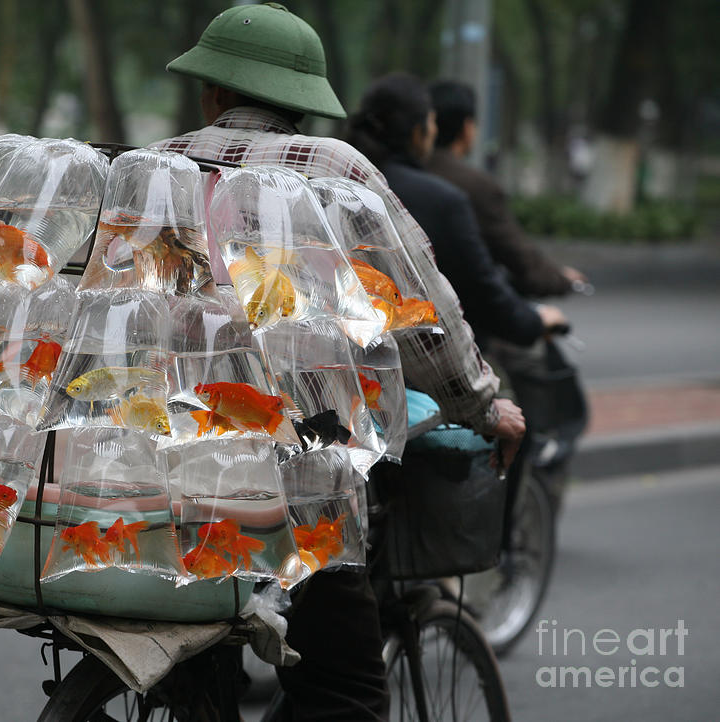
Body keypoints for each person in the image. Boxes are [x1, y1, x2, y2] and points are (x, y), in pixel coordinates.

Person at [152, 5, 525, 720]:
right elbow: (419, 313)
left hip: (159, 463)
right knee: (344, 686)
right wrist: (483, 404)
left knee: (195, 666)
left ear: (211, 94)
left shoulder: (156, 165)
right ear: (302, 104)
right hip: (301, 474)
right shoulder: (335, 170)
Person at [345, 72, 568, 351]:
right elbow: (482, 287)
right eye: (431, 121)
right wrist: (533, 322)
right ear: (419, 131)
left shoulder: (342, 181)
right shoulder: (443, 200)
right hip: (424, 353)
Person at [425, 80, 586, 298]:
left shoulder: (392, 175)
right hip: (464, 311)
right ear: (467, 127)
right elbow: (517, 255)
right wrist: (558, 279)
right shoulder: (476, 186)